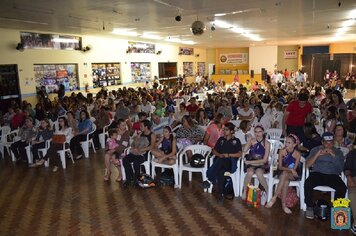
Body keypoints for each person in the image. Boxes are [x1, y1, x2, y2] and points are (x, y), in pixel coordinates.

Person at [304, 132, 346, 219]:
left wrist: (334, 156)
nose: (328, 144)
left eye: (330, 142)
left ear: (333, 142)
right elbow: (306, 165)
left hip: (333, 174)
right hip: (317, 173)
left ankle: (337, 210)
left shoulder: (338, 152)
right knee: (308, 184)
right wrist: (317, 155)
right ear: (322, 142)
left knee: (342, 188)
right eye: (326, 142)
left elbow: (341, 169)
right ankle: (309, 207)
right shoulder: (315, 150)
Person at [204, 122, 242, 203]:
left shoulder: (236, 141)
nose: (224, 131)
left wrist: (228, 155)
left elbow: (240, 154)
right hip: (220, 162)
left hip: (230, 163)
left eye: (226, 130)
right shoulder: (221, 140)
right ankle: (220, 195)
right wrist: (219, 155)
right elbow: (214, 151)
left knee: (221, 160)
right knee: (221, 171)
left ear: (232, 131)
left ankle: (209, 180)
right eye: (224, 129)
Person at [266, 134, 301, 214]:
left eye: (289, 143)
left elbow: (294, 169)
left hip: (292, 174)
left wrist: (291, 170)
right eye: (286, 142)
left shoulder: (297, 154)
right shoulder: (282, 151)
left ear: (294, 144)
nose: (286, 144)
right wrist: (290, 169)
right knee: (285, 180)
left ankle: (274, 198)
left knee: (285, 174)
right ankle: (283, 205)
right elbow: (280, 167)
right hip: (282, 172)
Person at [242, 125, 271, 200]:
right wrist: (249, 141)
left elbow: (264, 160)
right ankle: (245, 190)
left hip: (261, 163)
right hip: (252, 161)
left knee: (258, 172)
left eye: (259, 132)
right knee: (250, 172)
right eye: (255, 132)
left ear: (263, 132)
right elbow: (244, 151)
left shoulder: (267, 143)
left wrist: (250, 162)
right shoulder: (252, 140)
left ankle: (267, 190)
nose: (257, 134)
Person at [122, 120, 156, 185]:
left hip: (144, 154)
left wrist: (140, 149)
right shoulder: (141, 133)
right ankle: (129, 178)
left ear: (146, 127)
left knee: (136, 162)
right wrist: (134, 147)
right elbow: (134, 142)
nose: (140, 127)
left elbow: (152, 147)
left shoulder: (152, 135)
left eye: (141, 126)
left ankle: (137, 180)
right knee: (125, 160)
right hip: (136, 152)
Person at [343, 148, 356, 234]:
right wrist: (348, 177)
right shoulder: (352, 154)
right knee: (353, 193)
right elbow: (346, 168)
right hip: (354, 178)